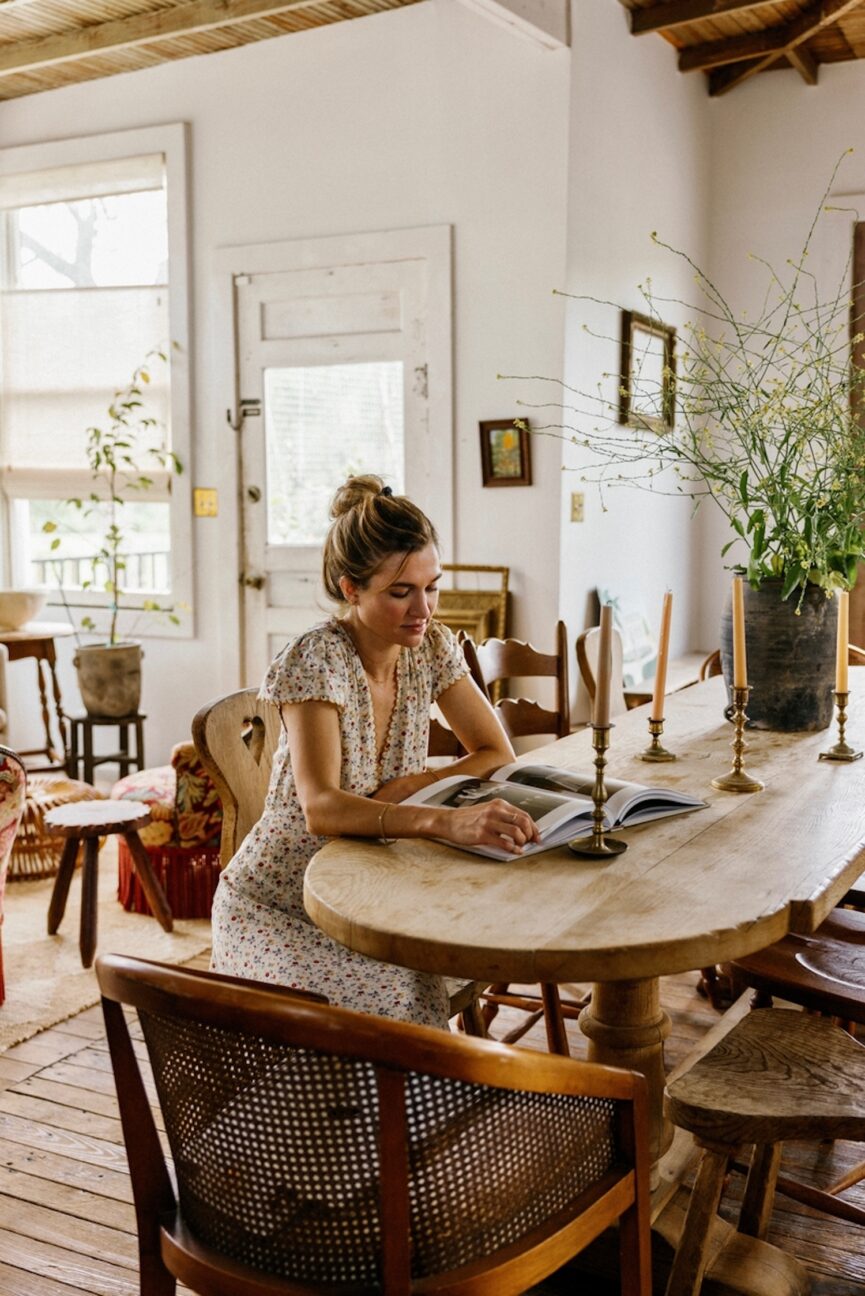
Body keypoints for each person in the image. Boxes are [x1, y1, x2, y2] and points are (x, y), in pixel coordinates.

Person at [211, 474, 539, 1028]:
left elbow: (493, 748)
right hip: (284, 902)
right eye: (400, 591)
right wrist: (441, 822)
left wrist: (410, 785)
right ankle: (355, 1113)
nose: (424, 609)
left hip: (375, 890)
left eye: (431, 586)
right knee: (389, 1005)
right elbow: (322, 809)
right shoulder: (318, 659)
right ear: (350, 589)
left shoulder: (429, 647)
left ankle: (401, 1112)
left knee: (463, 953)